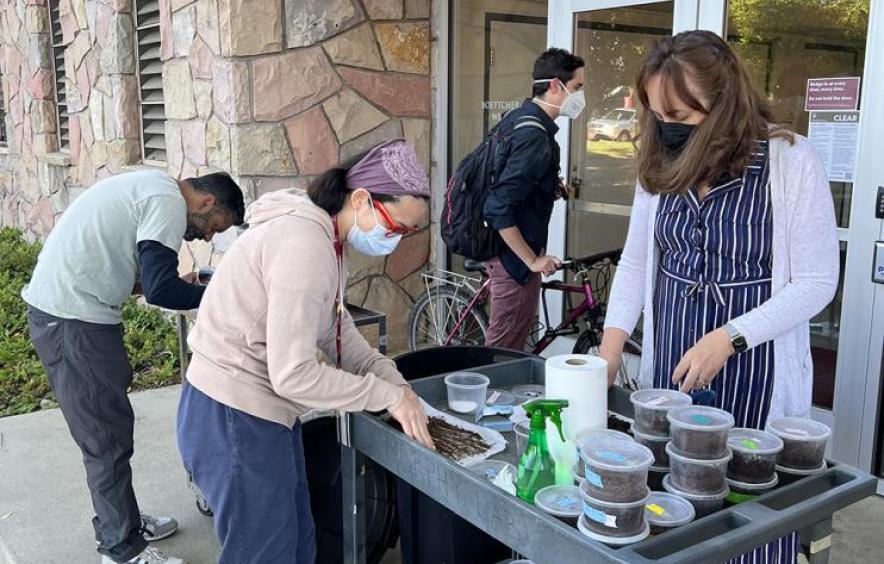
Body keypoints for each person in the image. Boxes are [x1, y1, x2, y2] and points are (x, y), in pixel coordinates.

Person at [598, 31, 839, 563]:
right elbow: (637, 264)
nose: (667, 128)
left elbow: (819, 282)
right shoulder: (659, 163)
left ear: (724, 104)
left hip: (755, 373)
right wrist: (608, 356)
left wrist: (730, 338)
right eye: (659, 115)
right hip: (674, 371)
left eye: (682, 117)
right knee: (676, 507)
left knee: (749, 515)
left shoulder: (790, 163)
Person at [176, 139, 435, 563]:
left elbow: (338, 329)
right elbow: (293, 374)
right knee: (267, 553)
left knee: (298, 544)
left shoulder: (327, 237)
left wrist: (398, 385)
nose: (398, 240)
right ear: (362, 199)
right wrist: (385, 396)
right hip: (233, 414)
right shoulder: (303, 243)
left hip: (263, 414)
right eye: (398, 227)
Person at [23, 170, 245, 564]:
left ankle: (120, 521)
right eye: (214, 227)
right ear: (206, 203)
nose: (208, 236)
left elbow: (142, 276)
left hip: (71, 314)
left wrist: (186, 285)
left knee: (109, 430)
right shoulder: (168, 203)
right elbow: (161, 290)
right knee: (105, 438)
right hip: (72, 322)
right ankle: (121, 548)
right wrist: (220, 294)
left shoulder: (154, 188)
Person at [482, 48, 585, 351]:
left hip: (504, 255)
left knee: (508, 348)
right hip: (513, 263)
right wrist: (533, 260)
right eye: (577, 87)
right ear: (556, 85)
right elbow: (498, 207)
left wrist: (547, 185)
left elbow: (509, 180)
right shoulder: (534, 137)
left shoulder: (519, 118)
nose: (580, 95)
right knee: (500, 358)